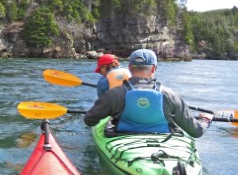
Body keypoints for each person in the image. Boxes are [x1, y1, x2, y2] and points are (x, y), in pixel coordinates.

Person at [84, 48, 213, 136]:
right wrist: (205, 120)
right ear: (154, 68)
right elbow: (196, 132)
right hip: (164, 143)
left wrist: (111, 111)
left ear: (130, 68)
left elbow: (89, 120)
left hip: (122, 141)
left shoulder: (113, 95)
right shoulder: (171, 96)